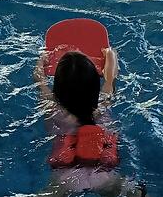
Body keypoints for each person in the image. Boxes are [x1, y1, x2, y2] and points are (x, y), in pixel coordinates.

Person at [34, 49, 146, 196]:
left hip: (65, 177)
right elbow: (110, 78)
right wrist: (111, 55)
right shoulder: (103, 103)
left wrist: (41, 61)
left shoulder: (52, 109)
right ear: (94, 89)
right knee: (135, 193)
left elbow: (38, 79)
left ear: (57, 90)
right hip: (103, 175)